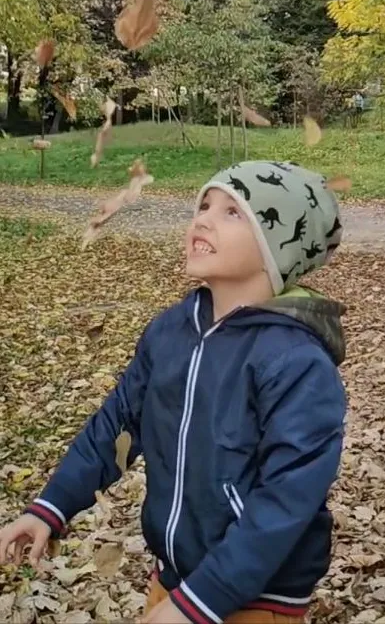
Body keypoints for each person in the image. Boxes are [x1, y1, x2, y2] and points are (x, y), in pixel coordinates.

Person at [0, 161, 347, 624]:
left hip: (257, 597)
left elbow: (287, 498)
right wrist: (51, 507)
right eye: (203, 204)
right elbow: (118, 425)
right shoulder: (172, 331)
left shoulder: (296, 361)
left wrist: (200, 602)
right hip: (173, 579)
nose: (202, 218)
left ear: (277, 246)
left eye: (231, 211)